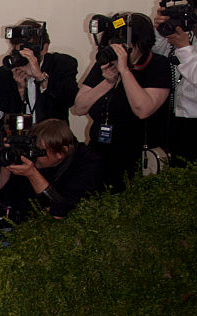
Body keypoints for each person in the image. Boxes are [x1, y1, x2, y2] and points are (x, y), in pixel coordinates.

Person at [72, 13, 172, 190]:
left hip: (137, 158)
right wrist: (108, 82)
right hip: (98, 154)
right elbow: (79, 108)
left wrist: (125, 71)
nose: (118, 50)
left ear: (141, 44)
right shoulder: (106, 64)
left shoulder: (157, 65)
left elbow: (143, 110)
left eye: (125, 45)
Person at [0, 118, 104, 220]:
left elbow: (62, 211)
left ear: (60, 153)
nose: (34, 156)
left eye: (39, 152)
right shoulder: (34, 161)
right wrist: (9, 160)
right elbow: (4, 193)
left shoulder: (88, 164)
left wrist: (32, 174)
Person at [0, 20, 79, 123]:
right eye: (18, 51)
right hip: (18, 135)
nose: (22, 55)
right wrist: (21, 90)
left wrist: (40, 77)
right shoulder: (2, 75)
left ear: (44, 48)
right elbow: (2, 115)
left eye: (26, 51)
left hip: (52, 135)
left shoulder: (61, 64)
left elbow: (70, 100)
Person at [153, 7, 197, 164]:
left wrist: (184, 48)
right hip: (175, 118)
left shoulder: (185, 42)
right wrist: (161, 32)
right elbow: (156, 56)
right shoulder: (187, 35)